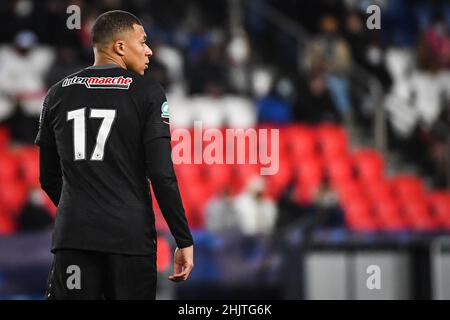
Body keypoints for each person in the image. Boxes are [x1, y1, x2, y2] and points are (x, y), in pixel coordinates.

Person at [35, 10, 194, 300]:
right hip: (129, 239)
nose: (149, 51)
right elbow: (161, 174)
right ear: (120, 47)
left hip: (74, 238)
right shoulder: (148, 92)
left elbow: (47, 178)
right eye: (143, 42)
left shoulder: (56, 94)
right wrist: (182, 238)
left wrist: (84, 209)